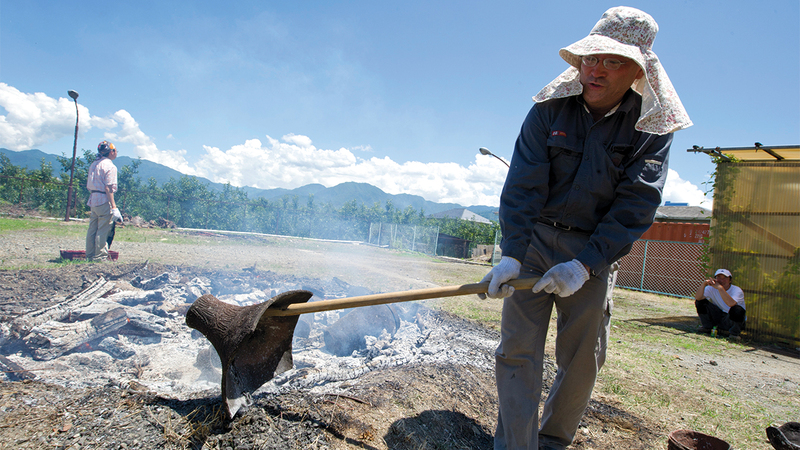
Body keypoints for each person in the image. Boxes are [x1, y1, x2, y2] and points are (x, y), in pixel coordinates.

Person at [477, 7, 692, 449]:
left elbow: (637, 203)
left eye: (611, 61)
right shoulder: (548, 112)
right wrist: (513, 253)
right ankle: (515, 445)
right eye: (591, 58)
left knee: (581, 360)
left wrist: (585, 265)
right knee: (517, 351)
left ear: (638, 70)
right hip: (535, 240)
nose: (594, 70)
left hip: (592, 252)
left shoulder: (649, 128)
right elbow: (522, 185)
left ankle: (552, 441)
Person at [85, 140, 123, 261]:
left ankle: (89, 255)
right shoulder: (110, 166)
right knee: (103, 229)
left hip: (93, 199)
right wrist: (114, 207)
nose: (116, 152)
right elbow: (108, 188)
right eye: (115, 150)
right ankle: (100, 256)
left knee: (92, 229)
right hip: (103, 199)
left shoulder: (94, 164)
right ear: (111, 152)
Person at [694, 269, 746, 340]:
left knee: (737, 309)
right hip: (719, 316)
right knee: (700, 302)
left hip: (730, 319)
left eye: (725, 278)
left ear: (730, 280)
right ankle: (707, 327)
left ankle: (734, 334)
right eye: (719, 278)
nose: (722, 280)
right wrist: (704, 284)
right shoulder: (711, 288)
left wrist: (720, 288)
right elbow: (698, 298)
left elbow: (731, 303)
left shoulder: (737, 290)